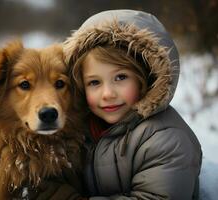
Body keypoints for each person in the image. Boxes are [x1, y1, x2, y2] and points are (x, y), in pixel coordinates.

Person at [36, 9, 202, 200]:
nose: (107, 94)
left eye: (120, 77)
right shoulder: (80, 130)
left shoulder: (167, 139)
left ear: (145, 77)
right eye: (94, 82)